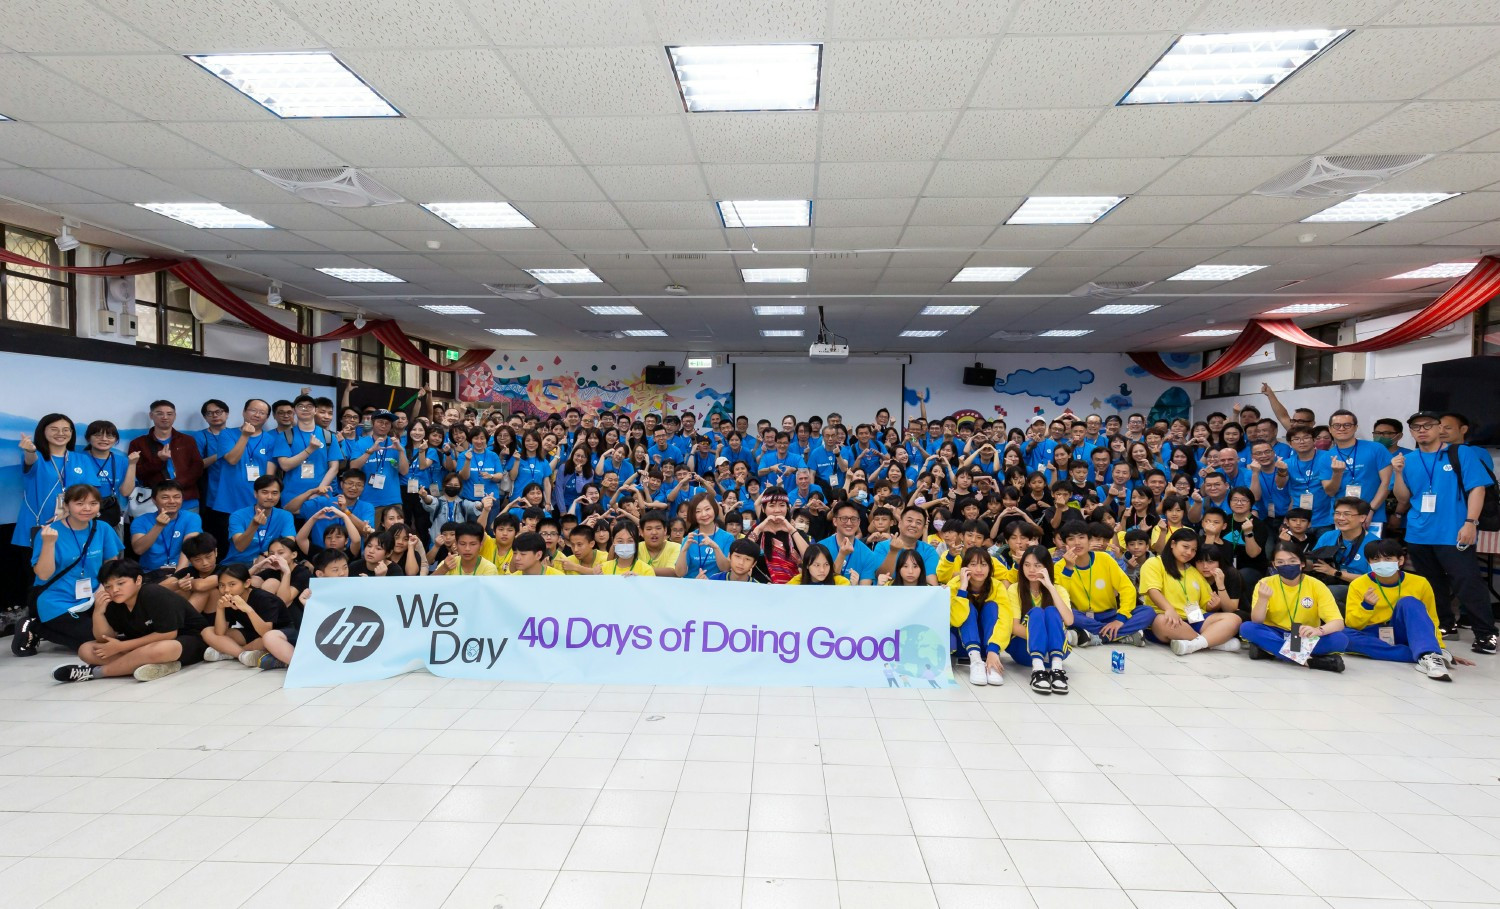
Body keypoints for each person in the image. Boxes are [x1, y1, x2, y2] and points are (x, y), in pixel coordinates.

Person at [1391, 411, 1496, 653]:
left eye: (1428, 425)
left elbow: (1477, 489)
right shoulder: (1408, 460)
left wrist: (1471, 522)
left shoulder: (1461, 453)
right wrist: (1397, 473)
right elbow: (1403, 498)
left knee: (1467, 582)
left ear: (1440, 428)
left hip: (1454, 532)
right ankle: (1445, 625)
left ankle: (1486, 633)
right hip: (1418, 532)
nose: (1422, 430)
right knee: (1431, 583)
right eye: (1416, 427)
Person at [51, 558, 209, 683]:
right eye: (108, 586)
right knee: (86, 649)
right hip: (143, 644)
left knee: (161, 649)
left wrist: (121, 646)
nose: (114, 590)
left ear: (138, 580)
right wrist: (98, 613)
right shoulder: (114, 602)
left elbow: (168, 633)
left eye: (121, 583)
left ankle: (96, 672)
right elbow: (104, 639)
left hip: (187, 640)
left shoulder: (152, 593)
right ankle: (155, 665)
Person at [17, 484, 126, 656]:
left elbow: (111, 566)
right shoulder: (49, 533)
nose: (87, 508)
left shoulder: (103, 528)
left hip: (93, 595)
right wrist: (49, 543)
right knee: (97, 640)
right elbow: (43, 574)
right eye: (80, 503)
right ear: (66, 506)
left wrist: (105, 591)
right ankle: (35, 626)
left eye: (93, 503)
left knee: (120, 630)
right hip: (57, 601)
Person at [1342, 539, 1472, 681]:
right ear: (1369, 563)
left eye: (1387, 558)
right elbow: (1353, 624)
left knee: (1409, 602)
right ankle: (1424, 654)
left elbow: (1431, 620)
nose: (1382, 563)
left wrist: (1438, 645)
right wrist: (1366, 606)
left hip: (1403, 632)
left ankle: (1429, 653)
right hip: (1373, 632)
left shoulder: (1420, 583)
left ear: (1400, 560)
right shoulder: (1358, 584)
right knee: (1343, 636)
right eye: (1375, 559)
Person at [984, 545, 1074, 694]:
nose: (1031, 570)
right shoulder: (1015, 589)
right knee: (1037, 613)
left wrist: (1050, 587)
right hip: (1023, 649)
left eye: (1037, 565)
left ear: (1047, 567)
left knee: (1051, 611)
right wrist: (1045, 637)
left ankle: (1057, 671)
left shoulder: (1058, 589)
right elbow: (1014, 627)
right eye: (1027, 565)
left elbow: (1069, 621)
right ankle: (1037, 671)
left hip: (1053, 653)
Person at [1242, 546, 1349, 671]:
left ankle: (1269, 651)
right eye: (1280, 562)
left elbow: (1337, 622)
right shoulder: (1265, 583)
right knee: (1247, 628)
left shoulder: (1317, 585)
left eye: (1292, 561)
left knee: (1341, 639)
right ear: (1274, 565)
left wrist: (1319, 631)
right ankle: (1310, 661)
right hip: (1275, 633)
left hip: (1305, 635)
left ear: (1302, 564)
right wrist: (1263, 599)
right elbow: (1257, 621)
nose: (1287, 565)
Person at [1141, 529, 1243, 656]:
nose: (1189, 552)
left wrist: (1213, 605)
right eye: (1185, 547)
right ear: (1173, 544)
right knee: (1162, 622)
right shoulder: (1154, 563)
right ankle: (1213, 642)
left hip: (1195, 618)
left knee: (1234, 619)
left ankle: (1195, 644)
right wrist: (1169, 609)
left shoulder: (1193, 571)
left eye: (1194, 550)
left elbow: (1205, 604)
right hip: (1168, 618)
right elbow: (1153, 590)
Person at [1053, 521, 1147, 648]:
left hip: (1109, 614)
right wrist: (1069, 568)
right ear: (1065, 544)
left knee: (1147, 611)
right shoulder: (1060, 567)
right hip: (1082, 616)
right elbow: (1062, 599)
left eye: (1081, 537)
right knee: (1063, 614)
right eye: (1071, 539)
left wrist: (1120, 619)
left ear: (1089, 540)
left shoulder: (1105, 558)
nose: (1077, 542)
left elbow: (1127, 588)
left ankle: (1094, 636)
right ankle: (1121, 635)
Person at [16, 413, 88, 546]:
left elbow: (90, 492)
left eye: (66, 429)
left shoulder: (82, 459)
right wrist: (30, 451)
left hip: (72, 523)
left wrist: (70, 510)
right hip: (37, 524)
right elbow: (30, 460)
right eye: (54, 429)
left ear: (71, 433)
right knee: (36, 566)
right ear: (43, 431)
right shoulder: (37, 456)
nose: (61, 433)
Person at [201, 564, 291, 668]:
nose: (226, 590)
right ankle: (242, 654)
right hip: (251, 633)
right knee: (207, 631)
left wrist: (248, 609)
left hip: (278, 635)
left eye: (232, 584)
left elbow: (266, 632)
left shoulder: (264, 598)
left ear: (247, 583)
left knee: (264, 642)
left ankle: (229, 652)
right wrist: (220, 608)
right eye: (222, 585)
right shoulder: (229, 598)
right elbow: (220, 632)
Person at [127, 400, 205, 511]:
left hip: (187, 499)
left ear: (175, 416)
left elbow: (197, 467)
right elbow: (138, 473)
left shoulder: (187, 440)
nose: (165, 417)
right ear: (151, 415)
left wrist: (176, 484)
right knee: (156, 528)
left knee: (190, 528)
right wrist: (158, 460)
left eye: (169, 414)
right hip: (154, 502)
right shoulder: (138, 443)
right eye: (159, 413)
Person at [949, 548, 1005, 685]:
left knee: (992, 606)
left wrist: (993, 650)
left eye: (984, 564)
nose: (979, 569)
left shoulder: (997, 586)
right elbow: (955, 620)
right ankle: (976, 662)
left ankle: (992, 662)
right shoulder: (954, 585)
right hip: (964, 645)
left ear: (990, 568)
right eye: (973, 564)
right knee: (968, 606)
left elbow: (1005, 619)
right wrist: (962, 588)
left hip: (989, 647)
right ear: (964, 568)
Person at [129, 481, 203, 577]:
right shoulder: (141, 521)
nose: (172, 501)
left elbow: (189, 549)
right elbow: (139, 550)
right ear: (154, 500)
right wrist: (158, 526)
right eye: (165, 497)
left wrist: (176, 577)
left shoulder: (192, 518)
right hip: (151, 573)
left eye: (177, 497)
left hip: (183, 571)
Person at [226, 475, 295, 565]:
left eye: (274, 493)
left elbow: (289, 546)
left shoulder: (285, 516)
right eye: (265, 492)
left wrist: (265, 556)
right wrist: (254, 525)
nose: (270, 497)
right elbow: (240, 547)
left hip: (271, 563)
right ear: (255, 494)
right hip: (239, 564)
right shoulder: (238, 516)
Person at [433, 522, 498, 576]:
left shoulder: (489, 568)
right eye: (462, 544)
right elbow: (429, 584)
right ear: (456, 544)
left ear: (480, 545)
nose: (467, 549)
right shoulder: (447, 564)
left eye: (473, 544)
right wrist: (444, 568)